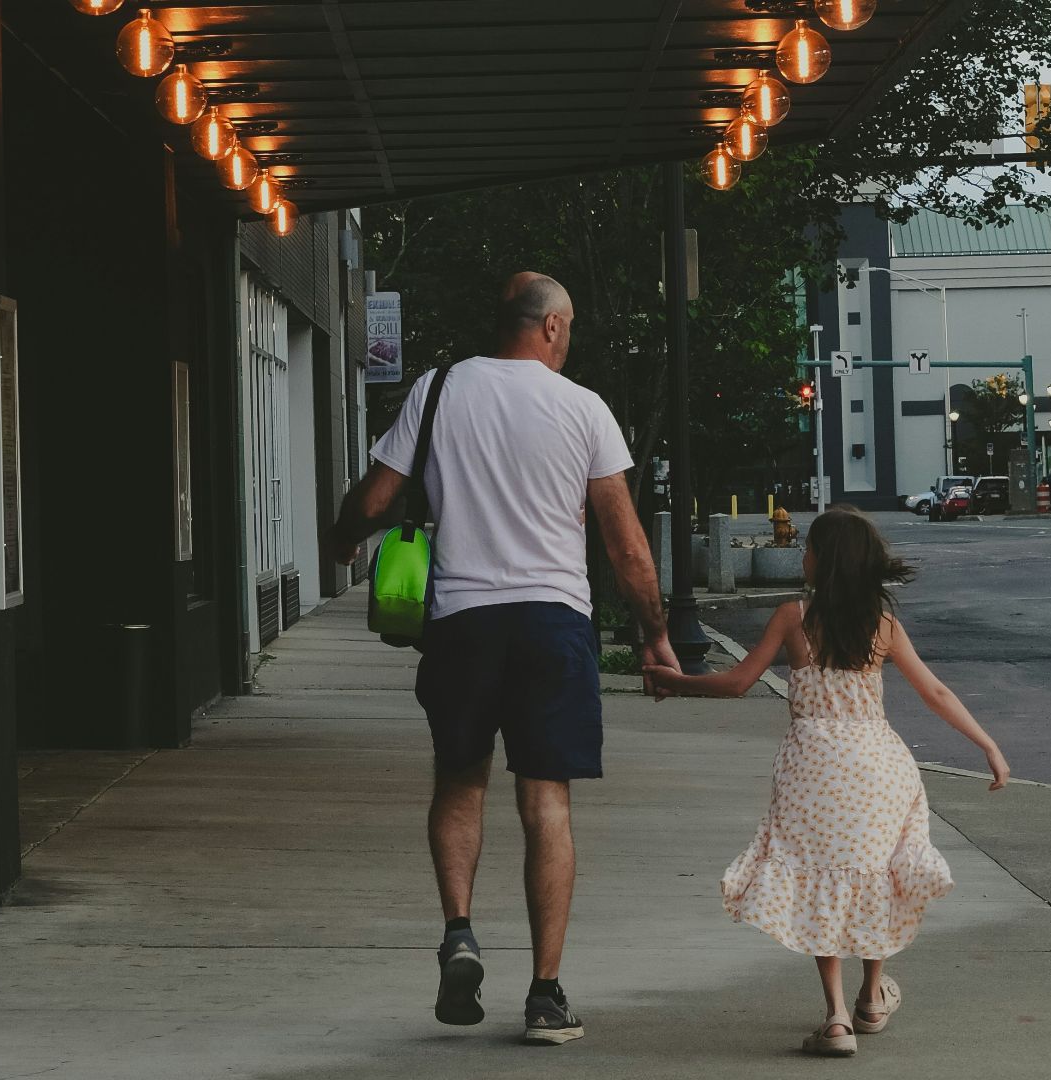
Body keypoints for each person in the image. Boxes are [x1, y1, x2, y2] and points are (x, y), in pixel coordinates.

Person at [328, 272, 679, 1046]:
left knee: (459, 782)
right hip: (553, 625)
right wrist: (654, 634)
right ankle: (547, 996)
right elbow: (625, 545)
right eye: (572, 325)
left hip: (462, 622)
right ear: (552, 326)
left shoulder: (439, 388)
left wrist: (341, 538)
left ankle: (459, 931)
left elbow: (378, 498)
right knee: (544, 801)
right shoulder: (583, 407)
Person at [645, 508, 1009, 1058]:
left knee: (820, 874)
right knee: (876, 870)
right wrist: (987, 744)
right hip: (877, 764)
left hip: (812, 768)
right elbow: (934, 692)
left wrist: (680, 682)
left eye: (808, 548)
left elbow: (739, 682)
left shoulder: (793, 616)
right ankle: (870, 996)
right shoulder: (882, 625)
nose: (802, 555)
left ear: (824, 561)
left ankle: (836, 1016)